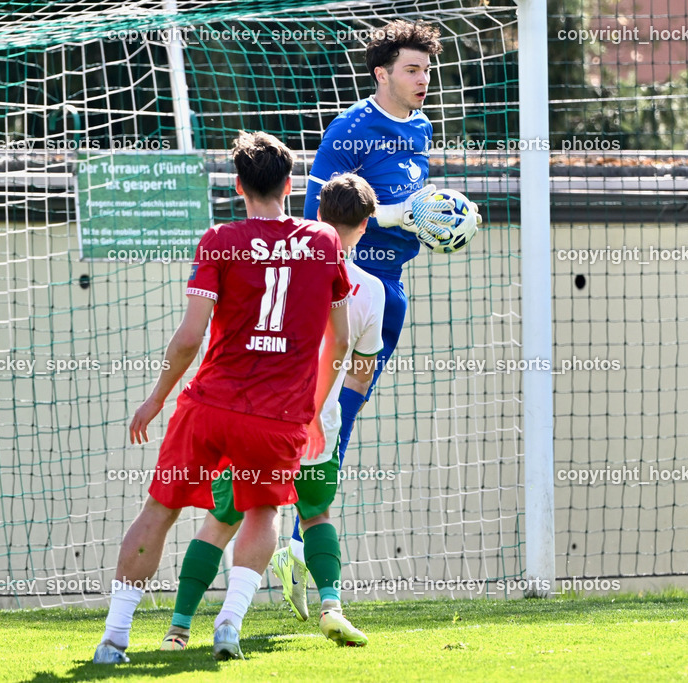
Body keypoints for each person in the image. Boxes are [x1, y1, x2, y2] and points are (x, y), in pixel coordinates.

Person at [93, 130, 351, 664]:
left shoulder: (219, 239)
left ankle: (115, 638)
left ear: (238, 186)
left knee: (159, 510)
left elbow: (189, 337)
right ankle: (229, 622)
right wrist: (314, 408)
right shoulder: (325, 241)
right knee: (261, 512)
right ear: (289, 184)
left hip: (209, 405)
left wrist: (157, 398)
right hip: (280, 418)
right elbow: (341, 340)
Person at [276, 19, 481, 615]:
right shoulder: (349, 130)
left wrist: (435, 215)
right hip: (342, 288)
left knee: (344, 416)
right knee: (310, 413)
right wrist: (395, 217)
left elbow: (410, 197)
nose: (423, 81)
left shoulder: (421, 127)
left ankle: (296, 540)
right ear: (382, 74)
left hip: (390, 295)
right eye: (412, 70)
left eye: (427, 70)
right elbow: (318, 216)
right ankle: (270, 527)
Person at [160, 173, 384, 650]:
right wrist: (326, 416)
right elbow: (359, 371)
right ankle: (331, 606)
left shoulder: (281, 258)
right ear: (366, 225)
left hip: (256, 414)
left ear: (316, 213)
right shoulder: (374, 290)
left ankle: (179, 628)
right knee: (318, 514)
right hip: (316, 424)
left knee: (222, 521)